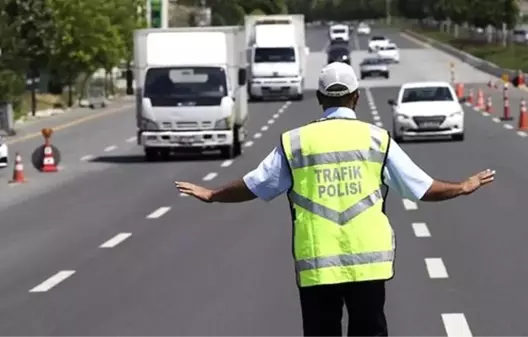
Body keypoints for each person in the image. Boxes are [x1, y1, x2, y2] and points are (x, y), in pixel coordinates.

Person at [175, 62, 495, 337]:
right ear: (356, 98)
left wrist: (212, 194)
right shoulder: (376, 139)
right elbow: (422, 188)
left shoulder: (296, 142)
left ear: (319, 98)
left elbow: (255, 185)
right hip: (369, 266)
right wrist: (462, 186)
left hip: (317, 265)